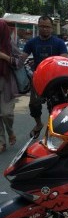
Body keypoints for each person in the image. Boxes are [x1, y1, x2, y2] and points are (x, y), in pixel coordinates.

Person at [21, 15, 68, 138]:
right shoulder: (32, 42)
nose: (45, 29)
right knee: (34, 105)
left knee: (56, 106)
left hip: (55, 80)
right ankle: (38, 124)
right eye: (42, 26)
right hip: (38, 79)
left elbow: (65, 60)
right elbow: (21, 59)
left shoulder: (59, 43)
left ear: (51, 28)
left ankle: (54, 128)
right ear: (38, 27)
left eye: (47, 27)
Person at [0, 19, 20, 152]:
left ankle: (10, 131)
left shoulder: (9, 44)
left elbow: (20, 62)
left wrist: (4, 57)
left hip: (6, 81)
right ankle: (1, 141)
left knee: (6, 113)